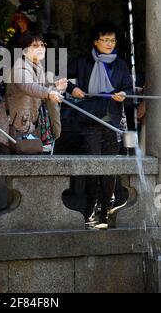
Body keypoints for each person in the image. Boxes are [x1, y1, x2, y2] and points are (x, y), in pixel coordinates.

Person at [66, 21, 133, 225]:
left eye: (112, 40)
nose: (109, 43)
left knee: (110, 167)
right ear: (96, 42)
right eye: (105, 40)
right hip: (89, 120)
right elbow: (58, 78)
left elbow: (129, 89)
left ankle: (107, 206)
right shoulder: (83, 62)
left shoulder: (121, 64)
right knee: (93, 166)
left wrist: (123, 94)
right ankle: (90, 206)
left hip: (113, 122)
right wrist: (72, 89)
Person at [0, 32, 67, 151]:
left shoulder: (37, 66)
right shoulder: (20, 68)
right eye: (35, 46)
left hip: (24, 124)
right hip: (8, 128)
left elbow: (41, 87)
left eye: (42, 45)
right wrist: (49, 93)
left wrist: (55, 86)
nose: (41, 48)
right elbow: (29, 86)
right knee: (11, 166)